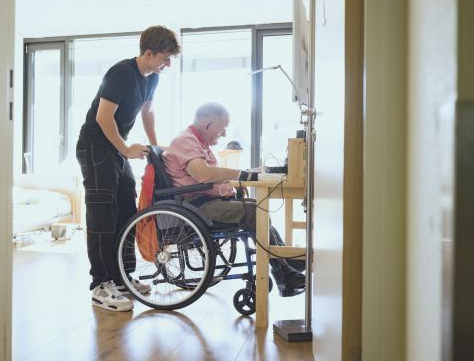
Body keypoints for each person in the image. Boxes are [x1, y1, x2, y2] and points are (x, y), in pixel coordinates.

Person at [76, 26, 181, 312]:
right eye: (165, 57)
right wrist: (124, 149)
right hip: (96, 146)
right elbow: (103, 117)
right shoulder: (121, 73)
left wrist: (156, 147)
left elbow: (147, 111)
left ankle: (121, 278)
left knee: (126, 210)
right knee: (102, 215)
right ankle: (100, 285)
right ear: (148, 53)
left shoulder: (153, 77)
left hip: (115, 149)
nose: (168, 64)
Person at [162, 102, 306, 297]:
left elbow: (213, 175)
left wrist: (252, 172)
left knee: (255, 206)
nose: (223, 135)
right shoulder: (185, 141)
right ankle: (284, 273)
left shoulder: (199, 144)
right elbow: (204, 175)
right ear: (207, 124)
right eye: (223, 129)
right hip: (196, 207)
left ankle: (284, 261)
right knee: (255, 211)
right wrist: (243, 174)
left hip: (205, 202)